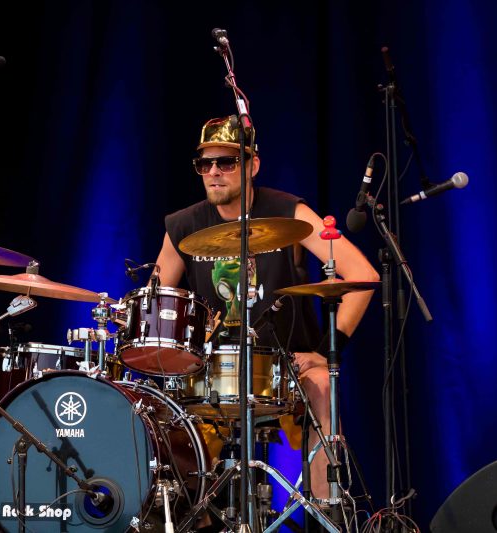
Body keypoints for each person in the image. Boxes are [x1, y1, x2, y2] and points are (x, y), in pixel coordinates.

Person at [154, 115, 379, 500]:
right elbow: (158, 302)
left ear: (252, 165)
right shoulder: (184, 225)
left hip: (287, 366)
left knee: (325, 385)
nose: (214, 172)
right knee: (157, 415)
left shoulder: (288, 212)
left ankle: (327, 512)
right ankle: (192, 518)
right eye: (205, 164)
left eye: (226, 162)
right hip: (212, 371)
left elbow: (362, 274)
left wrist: (327, 352)